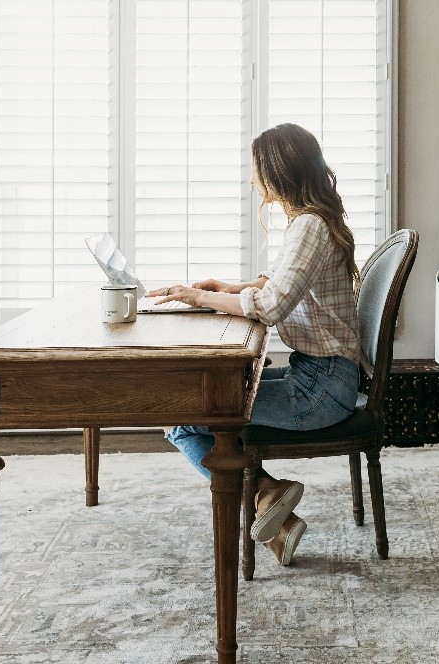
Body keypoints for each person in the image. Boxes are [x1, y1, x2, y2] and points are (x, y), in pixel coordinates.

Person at [147, 123, 363, 567]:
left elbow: (270, 306)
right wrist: (231, 286)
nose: (252, 180)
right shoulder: (314, 222)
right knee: (198, 403)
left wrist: (199, 297)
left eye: (256, 170)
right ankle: (274, 513)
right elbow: (278, 283)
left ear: (278, 171)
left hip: (321, 389)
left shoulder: (309, 226)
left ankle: (265, 493)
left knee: (181, 417)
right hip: (322, 376)